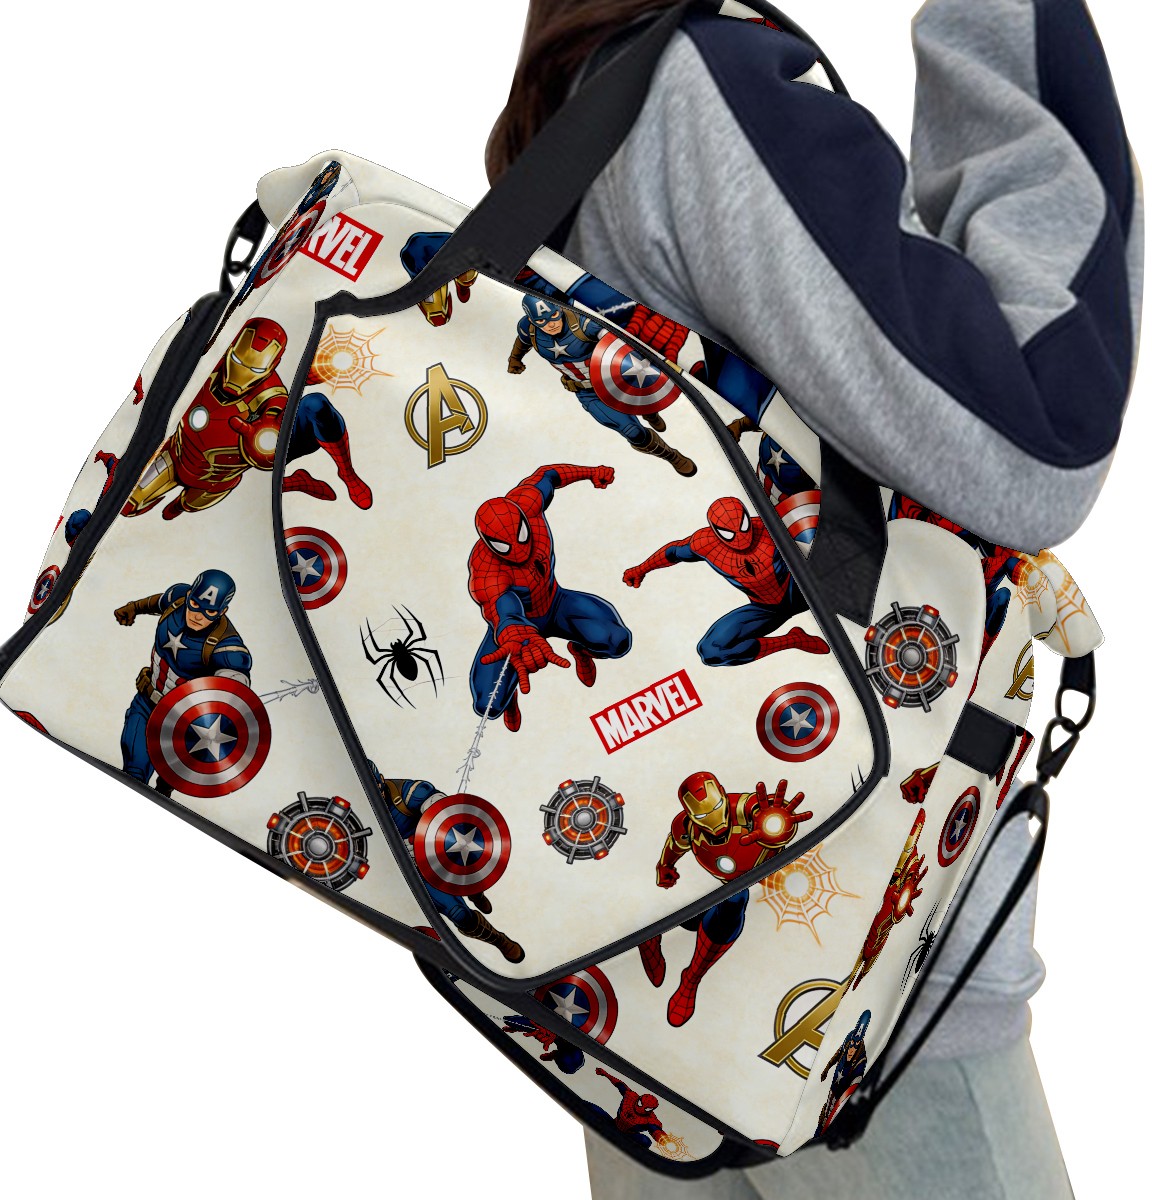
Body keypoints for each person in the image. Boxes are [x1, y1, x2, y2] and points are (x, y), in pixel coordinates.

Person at [486, 1, 1141, 1195]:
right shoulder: (706, 91)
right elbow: (1038, 434)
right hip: (857, 996)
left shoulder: (581, 119)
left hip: (628, 994)